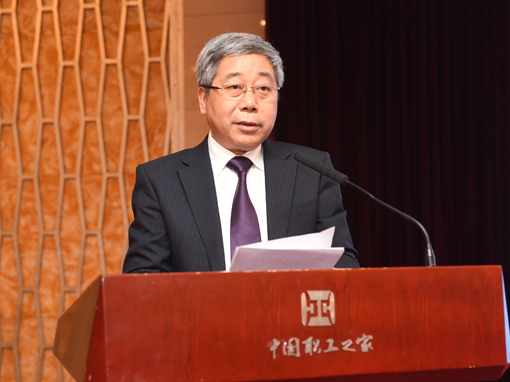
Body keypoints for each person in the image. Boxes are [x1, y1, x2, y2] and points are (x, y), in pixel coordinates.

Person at [122, 32, 359, 273]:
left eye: (263, 88)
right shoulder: (161, 180)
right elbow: (143, 278)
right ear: (203, 99)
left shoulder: (313, 170)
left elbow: (343, 262)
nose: (250, 103)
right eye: (234, 87)